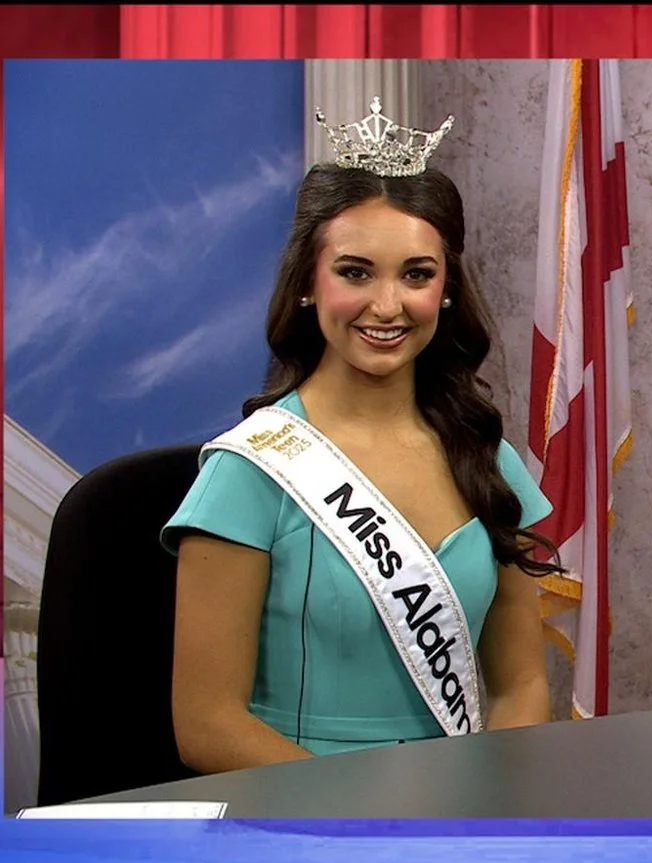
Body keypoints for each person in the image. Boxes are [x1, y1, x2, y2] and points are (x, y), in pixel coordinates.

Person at [162, 101, 558, 772]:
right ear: (310, 285)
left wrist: (481, 808)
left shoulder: (488, 460)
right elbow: (206, 725)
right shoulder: (250, 472)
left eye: (416, 274)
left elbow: (521, 685)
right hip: (301, 821)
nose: (386, 305)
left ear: (448, 289)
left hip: (455, 818)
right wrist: (372, 826)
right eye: (355, 272)